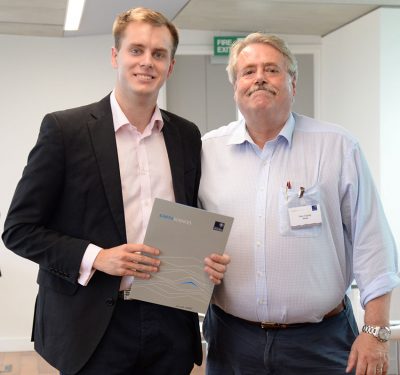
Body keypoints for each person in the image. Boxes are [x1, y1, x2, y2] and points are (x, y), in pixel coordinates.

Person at [2, 7, 230, 375]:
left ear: (170, 66)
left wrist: (206, 257)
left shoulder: (186, 135)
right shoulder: (65, 130)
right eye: (136, 50)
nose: (147, 62)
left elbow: (192, 217)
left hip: (169, 318)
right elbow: (18, 230)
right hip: (91, 325)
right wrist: (97, 257)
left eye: (159, 54)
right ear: (115, 56)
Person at [198, 33, 400, 375]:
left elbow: (373, 242)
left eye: (271, 69)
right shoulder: (207, 151)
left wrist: (376, 332)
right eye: (248, 71)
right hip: (232, 341)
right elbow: (192, 235)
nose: (259, 77)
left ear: (293, 82)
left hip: (320, 343)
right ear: (235, 87)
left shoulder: (336, 147)